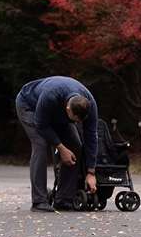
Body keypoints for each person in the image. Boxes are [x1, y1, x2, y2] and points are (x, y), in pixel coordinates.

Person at [15, 77, 98, 212]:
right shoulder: (50, 95)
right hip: (30, 106)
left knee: (75, 145)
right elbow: (41, 124)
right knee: (41, 145)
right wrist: (60, 147)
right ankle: (39, 201)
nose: (76, 124)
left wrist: (91, 172)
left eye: (79, 121)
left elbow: (91, 137)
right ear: (67, 108)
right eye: (74, 120)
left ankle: (63, 198)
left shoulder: (90, 105)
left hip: (56, 113)